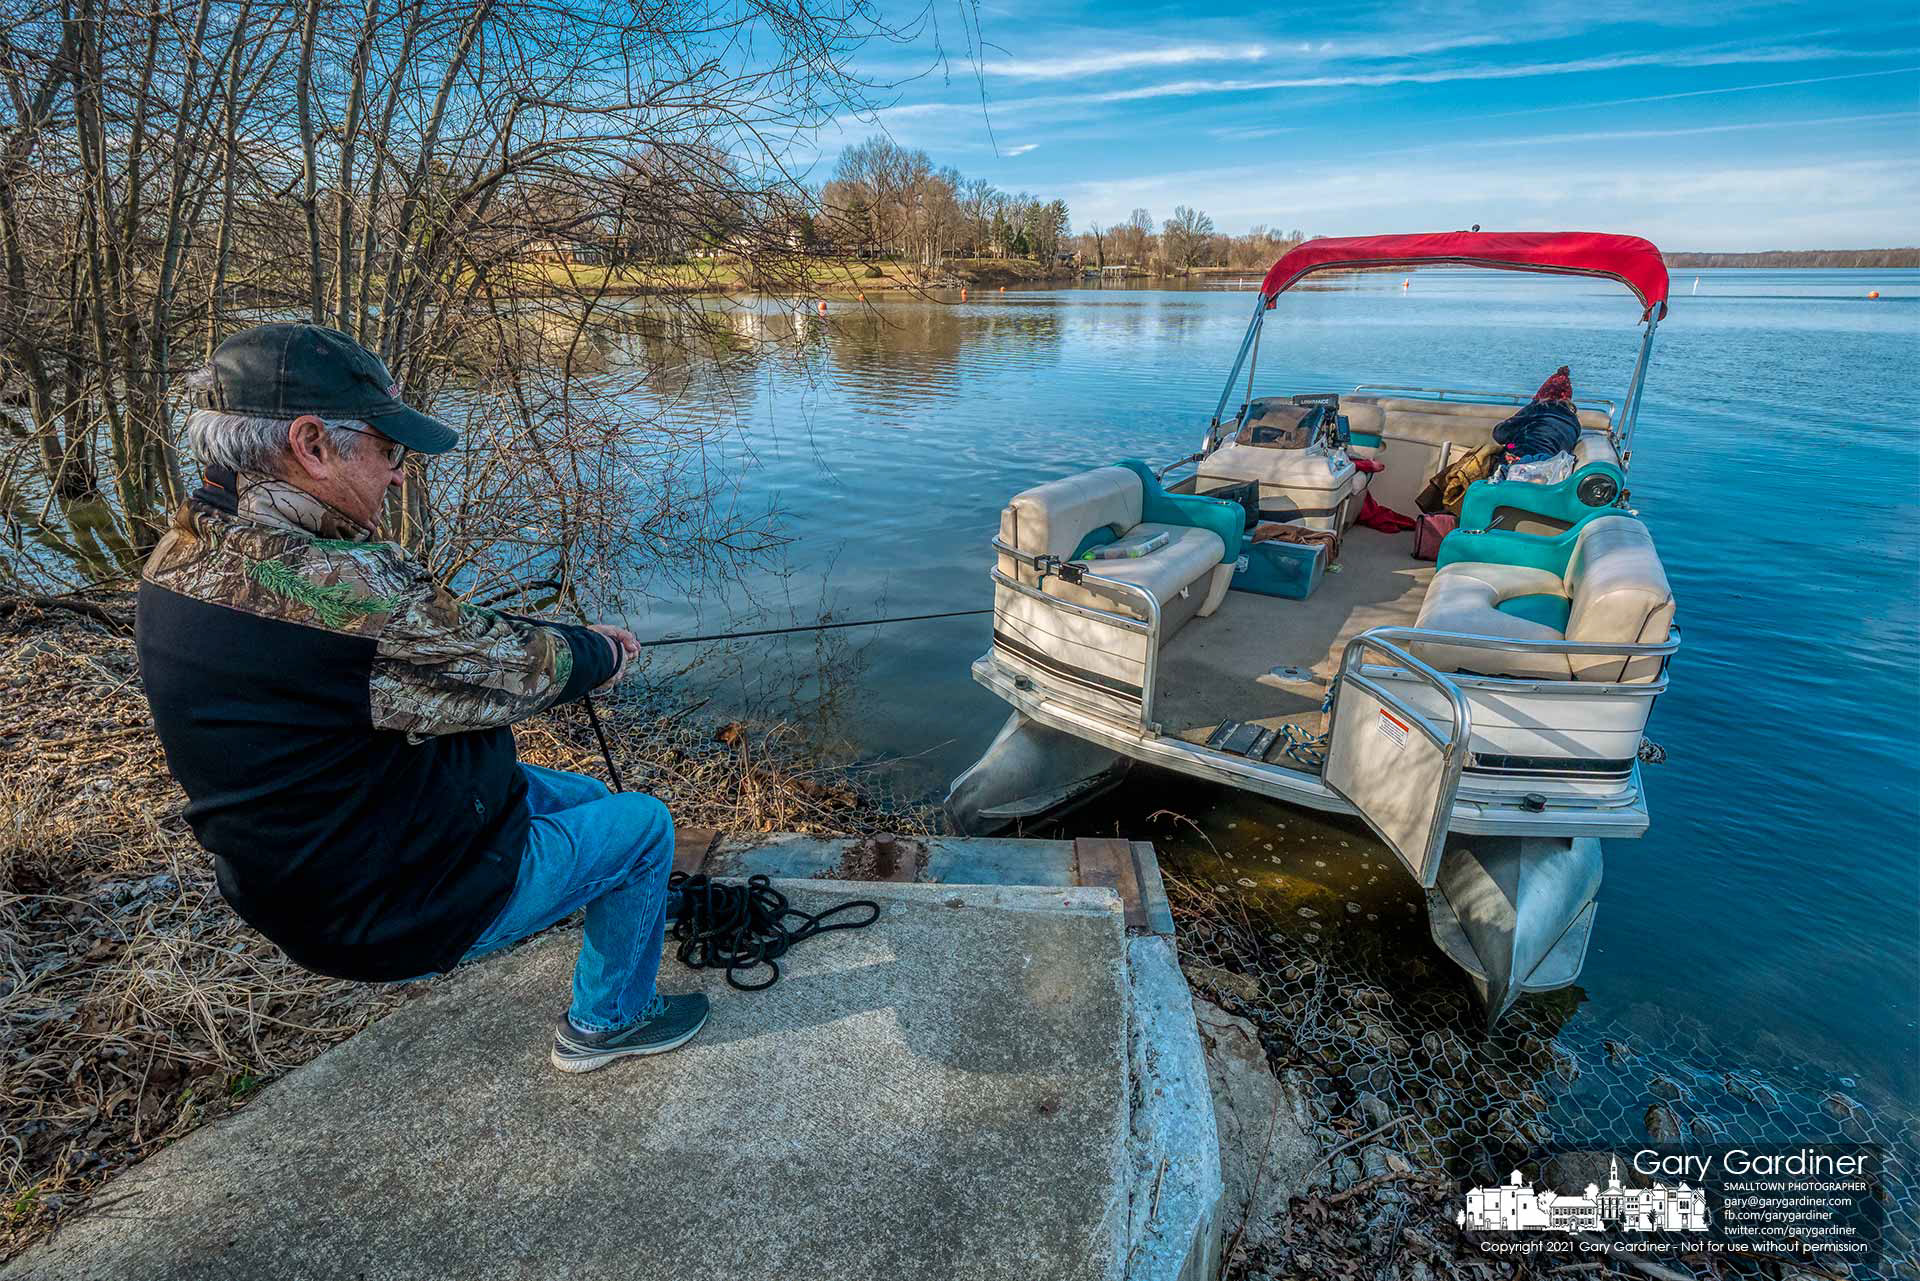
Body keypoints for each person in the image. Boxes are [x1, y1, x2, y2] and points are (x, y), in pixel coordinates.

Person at [135, 323, 707, 1074]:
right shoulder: (347, 599)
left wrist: (556, 637)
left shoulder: (183, 552)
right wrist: (600, 653)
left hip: (326, 862)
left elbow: (441, 648)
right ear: (311, 444)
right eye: (388, 450)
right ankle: (607, 1022)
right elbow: (515, 672)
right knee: (644, 826)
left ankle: (623, 913)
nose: (399, 474)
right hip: (389, 908)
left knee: (582, 797)